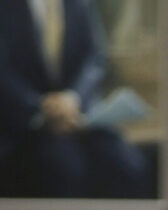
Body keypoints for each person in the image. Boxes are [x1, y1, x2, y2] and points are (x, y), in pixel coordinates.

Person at [0, 0, 149, 198]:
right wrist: (42, 106)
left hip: (78, 116)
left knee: (128, 164)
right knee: (63, 169)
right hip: (25, 124)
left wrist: (73, 97)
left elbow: (94, 59)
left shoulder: (79, 3)